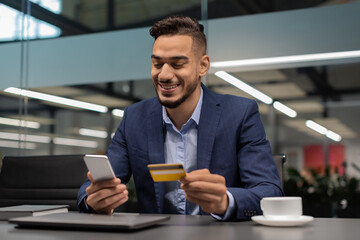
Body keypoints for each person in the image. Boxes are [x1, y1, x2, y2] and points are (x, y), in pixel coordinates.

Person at [77, 15, 283, 221]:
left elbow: (269, 192)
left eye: (177, 64)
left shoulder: (240, 113)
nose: (164, 75)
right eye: (157, 64)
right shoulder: (134, 118)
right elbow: (90, 188)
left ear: (203, 66)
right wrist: (95, 200)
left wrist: (225, 201)